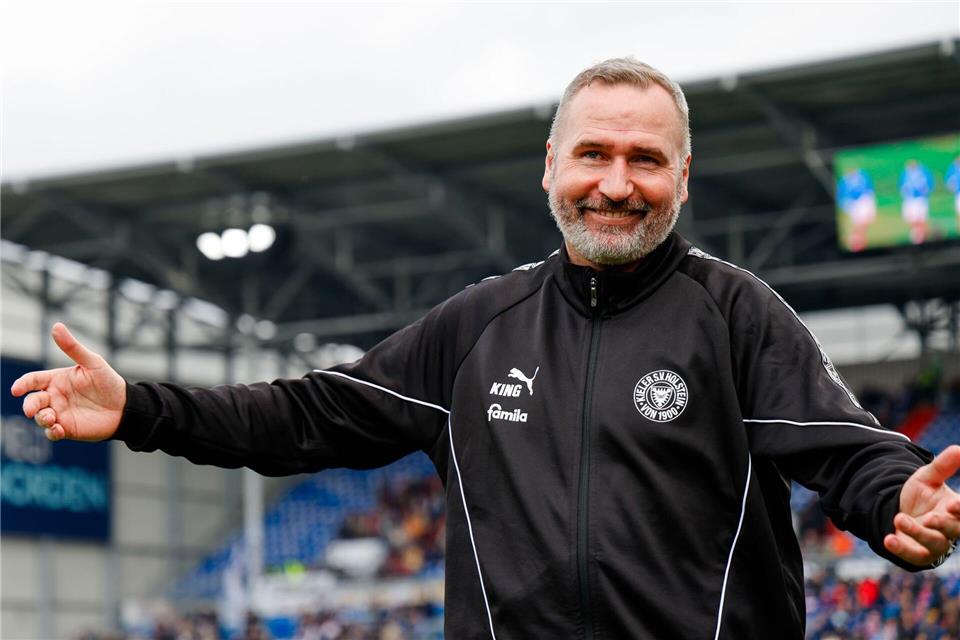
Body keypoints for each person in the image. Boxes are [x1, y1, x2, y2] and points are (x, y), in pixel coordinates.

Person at [11, 58, 960, 640]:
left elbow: (848, 448)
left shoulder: (734, 314)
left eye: (645, 159)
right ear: (550, 165)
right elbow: (307, 416)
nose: (616, 183)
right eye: (594, 153)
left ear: (683, 178)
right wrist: (140, 407)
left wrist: (896, 503)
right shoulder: (478, 327)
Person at [836, 166, 877, 252]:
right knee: (860, 222)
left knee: (865, 221)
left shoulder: (863, 176)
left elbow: (870, 188)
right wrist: (845, 204)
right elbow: (840, 194)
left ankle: (857, 240)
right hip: (854, 203)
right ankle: (857, 240)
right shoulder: (845, 181)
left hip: (864, 200)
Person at [899, 159, 935, 244]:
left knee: (921, 219)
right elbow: (901, 185)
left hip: (920, 199)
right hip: (910, 200)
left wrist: (925, 190)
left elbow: (929, 184)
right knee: (912, 219)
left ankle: (923, 238)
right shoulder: (905, 173)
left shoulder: (923, 172)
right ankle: (916, 239)